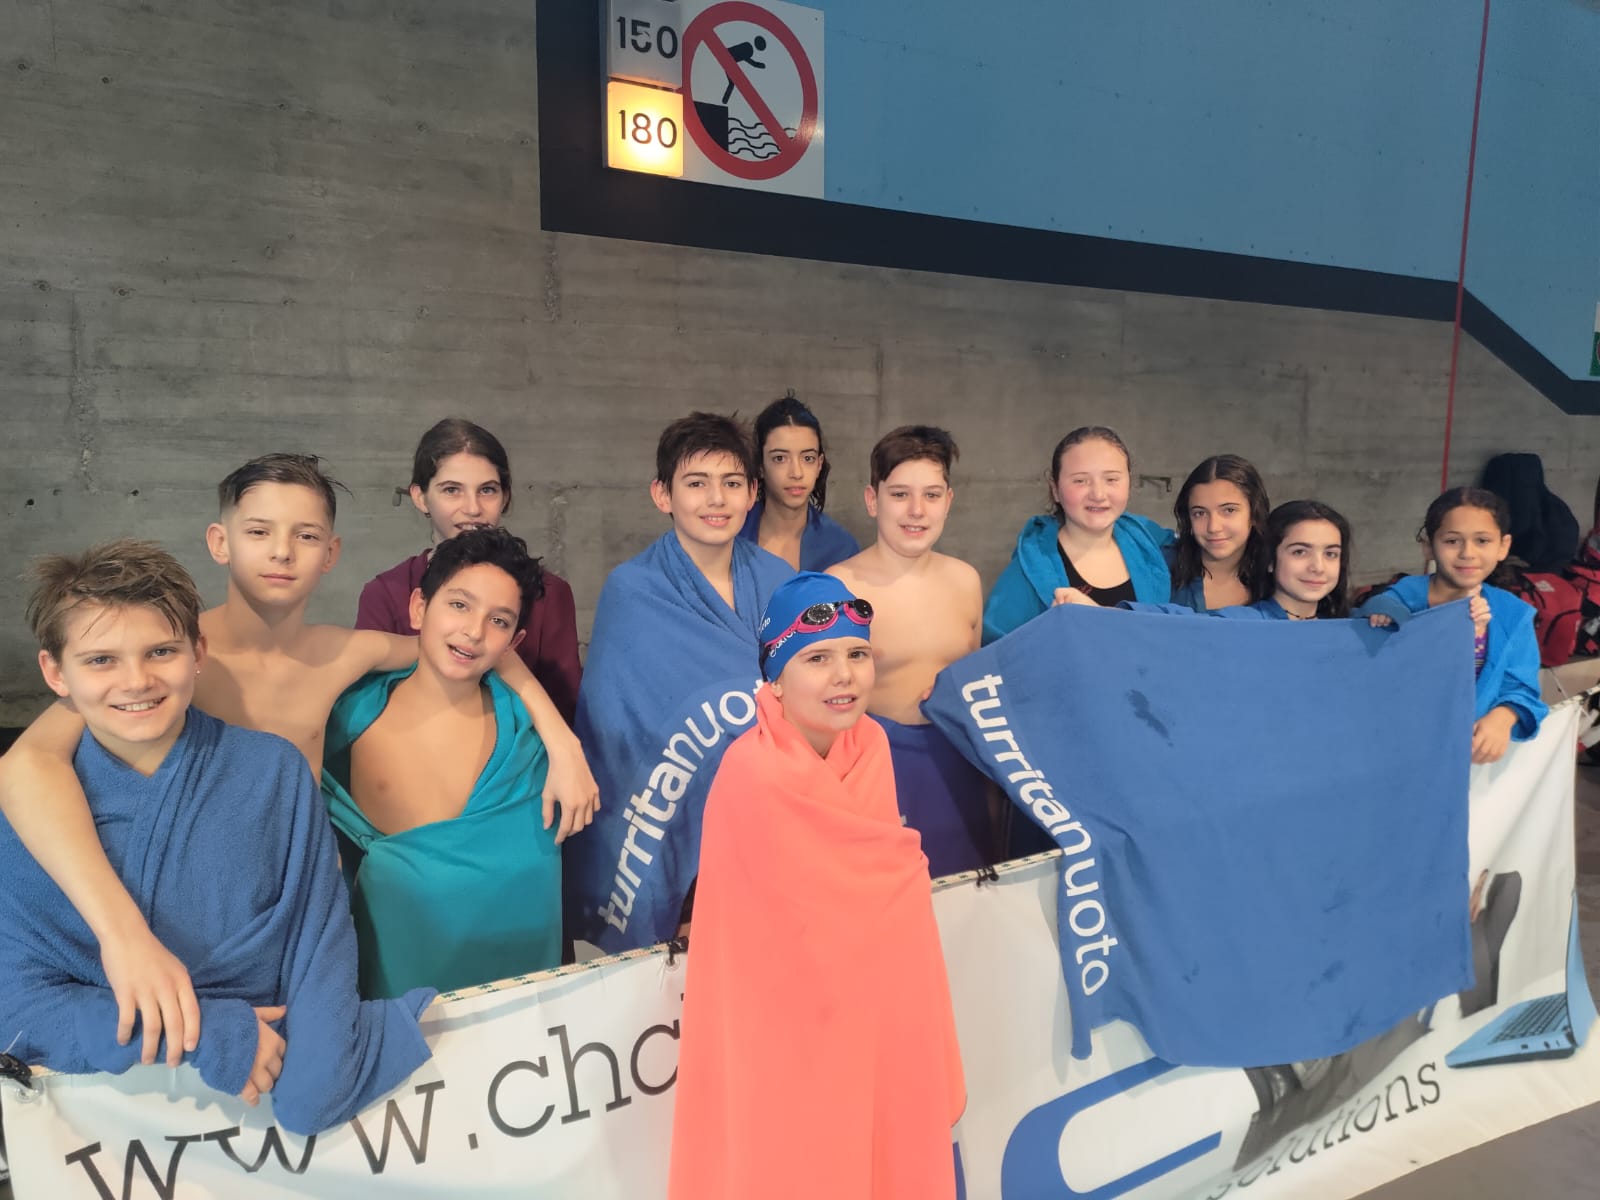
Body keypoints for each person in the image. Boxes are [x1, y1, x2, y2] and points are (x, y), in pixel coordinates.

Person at [0, 454, 595, 1067]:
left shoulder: (347, 653)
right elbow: (26, 765)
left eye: (305, 536)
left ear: (331, 552)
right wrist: (122, 936)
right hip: (197, 915)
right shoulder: (161, 654)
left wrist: (561, 740)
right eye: (260, 531)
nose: (282, 552)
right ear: (220, 541)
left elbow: (471, 642)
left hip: (305, 921)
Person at [0, 540, 432, 1135]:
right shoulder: (28, 814)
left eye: (161, 651)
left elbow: (319, 939)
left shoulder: (273, 769)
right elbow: (17, 1005)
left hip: (278, 1073)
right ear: (56, 673)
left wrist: (318, 1077)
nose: (137, 681)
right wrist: (208, 1034)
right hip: (117, 1124)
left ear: (197, 651)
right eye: (101, 660)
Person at [669, 573, 965, 1200]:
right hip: (790, 1033)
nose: (844, 676)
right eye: (818, 659)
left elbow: (879, 894)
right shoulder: (751, 774)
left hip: (878, 1011)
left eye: (857, 654)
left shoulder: (871, 744)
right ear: (775, 678)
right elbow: (755, 945)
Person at [565, 413, 794, 951]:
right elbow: (616, 731)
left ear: (753, 492)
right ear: (662, 494)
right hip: (677, 820)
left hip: (770, 815)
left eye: (731, 483)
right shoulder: (632, 590)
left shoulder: (782, 582)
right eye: (696, 483)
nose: (716, 499)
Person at [324, 528, 561, 998]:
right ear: (419, 607)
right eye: (459, 605)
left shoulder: (528, 748)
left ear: (513, 642)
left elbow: (536, 892)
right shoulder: (342, 721)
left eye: (498, 620)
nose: (474, 631)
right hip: (384, 994)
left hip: (510, 1011)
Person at [828, 426, 992, 876]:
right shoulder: (839, 587)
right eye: (900, 494)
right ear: (872, 499)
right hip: (875, 773)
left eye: (931, 495)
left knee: (967, 898)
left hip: (957, 768)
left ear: (948, 501)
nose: (917, 510)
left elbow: (975, 685)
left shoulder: (966, 580)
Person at [356, 418, 583, 723]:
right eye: (452, 490)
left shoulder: (550, 593)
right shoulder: (385, 593)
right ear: (420, 497)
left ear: (505, 497)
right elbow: (365, 707)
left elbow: (566, 709)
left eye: (487, 490)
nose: (473, 508)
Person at [1355, 486, 1547, 763]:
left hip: (1467, 760)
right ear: (1428, 546)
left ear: (1503, 546)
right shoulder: (1398, 601)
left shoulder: (1513, 615)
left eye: (1482, 540)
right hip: (1395, 748)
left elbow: (1522, 688)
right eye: (1452, 541)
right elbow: (1370, 647)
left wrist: (1503, 717)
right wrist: (1445, 625)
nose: (1467, 553)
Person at [983, 426, 1174, 642]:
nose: (1098, 494)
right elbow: (996, 649)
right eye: (1080, 481)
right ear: (1055, 489)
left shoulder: (1153, 544)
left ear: (1129, 483)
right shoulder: (1029, 569)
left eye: (1111, 479)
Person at [1071, 498, 1353, 622]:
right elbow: (1175, 621)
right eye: (1300, 551)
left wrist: (1379, 609)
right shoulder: (1243, 623)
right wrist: (1104, 615)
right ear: (1270, 560)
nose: (1318, 567)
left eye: (1331, 553)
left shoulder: (1354, 630)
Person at [738, 396, 861, 571]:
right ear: (760, 466)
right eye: (780, 458)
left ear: (819, 465)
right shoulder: (733, 533)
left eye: (808, 458)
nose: (796, 473)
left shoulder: (841, 547)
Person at [1168, 454, 1271, 612]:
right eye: (1200, 513)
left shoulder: (1279, 579)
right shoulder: (1158, 568)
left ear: (1254, 512)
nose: (1213, 527)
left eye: (1229, 510)